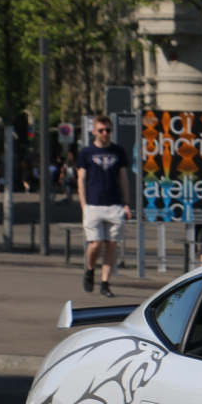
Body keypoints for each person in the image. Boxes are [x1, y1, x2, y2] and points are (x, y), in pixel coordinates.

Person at [77, 114, 131, 297]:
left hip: (114, 204)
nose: (105, 133)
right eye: (101, 130)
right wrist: (83, 204)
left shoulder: (118, 152)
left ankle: (105, 282)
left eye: (108, 130)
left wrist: (126, 204)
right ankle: (90, 269)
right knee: (96, 243)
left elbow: (123, 178)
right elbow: (81, 179)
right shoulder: (86, 152)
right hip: (93, 204)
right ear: (94, 131)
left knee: (111, 244)